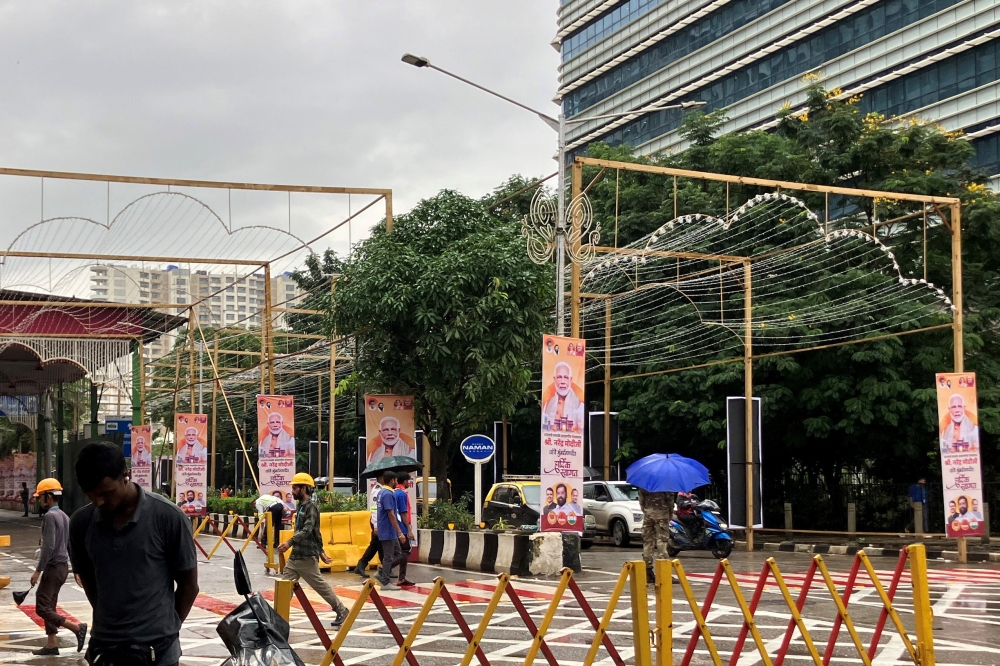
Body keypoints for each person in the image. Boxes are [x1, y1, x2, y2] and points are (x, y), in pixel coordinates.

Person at [70, 442, 198, 666]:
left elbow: (189, 585)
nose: (98, 501)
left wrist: (166, 629)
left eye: (106, 493)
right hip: (104, 647)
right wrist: (109, 619)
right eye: (91, 495)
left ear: (125, 476)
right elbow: (88, 580)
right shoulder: (81, 523)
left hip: (158, 651)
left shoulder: (167, 517)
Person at [276, 472, 349, 628]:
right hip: (297, 556)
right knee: (284, 586)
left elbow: (310, 530)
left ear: (304, 488)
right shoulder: (301, 506)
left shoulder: (311, 507)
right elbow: (316, 532)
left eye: (295, 488)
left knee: (320, 586)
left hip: (307, 557)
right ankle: (276, 618)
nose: (293, 491)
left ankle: (342, 610)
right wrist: (321, 551)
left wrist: (290, 542)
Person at [30, 478, 88, 656]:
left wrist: (38, 571)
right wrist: (76, 569)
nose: (40, 501)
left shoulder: (50, 516)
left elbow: (48, 547)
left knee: (41, 606)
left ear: (49, 496)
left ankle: (76, 628)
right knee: (50, 605)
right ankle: (51, 644)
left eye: (41, 497)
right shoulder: (64, 516)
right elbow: (71, 545)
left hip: (53, 567)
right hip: (62, 568)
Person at [372, 470, 408, 591]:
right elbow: (391, 514)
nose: (397, 482)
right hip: (388, 530)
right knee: (388, 557)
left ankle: (382, 572)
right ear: (392, 480)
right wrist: (400, 532)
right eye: (396, 480)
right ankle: (385, 581)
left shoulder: (382, 492)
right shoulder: (387, 494)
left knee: (400, 554)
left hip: (388, 529)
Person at [353, 473, 386, 577]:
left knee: (376, 545)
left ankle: (362, 565)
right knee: (378, 544)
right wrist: (376, 525)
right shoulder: (377, 491)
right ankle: (385, 569)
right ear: (380, 477)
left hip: (379, 522)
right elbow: (375, 509)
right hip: (377, 521)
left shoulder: (381, 489)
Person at [638, 487, 676, 572]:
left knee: (648, 541)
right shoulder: (666, 485)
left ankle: (647, 569)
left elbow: (641, 503)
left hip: (648, 514)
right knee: (662, 540)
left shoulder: (645, 484)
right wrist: (670, 512)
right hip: (662, 514)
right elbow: (670, 501)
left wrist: (647, 511)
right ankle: (663, 570)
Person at [542, 362, 584, 432]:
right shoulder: (548, 402)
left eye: (566, 377)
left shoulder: (579, 404)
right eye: (559, 377)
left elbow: (581, 429)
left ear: (570, 380)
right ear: (554, 379)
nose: (562, 382)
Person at [393, 473, 414, 587]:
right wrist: (409, 530)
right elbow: (403, 513)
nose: (408, 483)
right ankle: (385, 568)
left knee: (402, 552)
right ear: (404, 481)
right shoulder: (401, 494)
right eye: (408, 481)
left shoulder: (394, 493)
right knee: (406, 551)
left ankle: (402, 578)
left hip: (396, 526)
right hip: (402, 527)